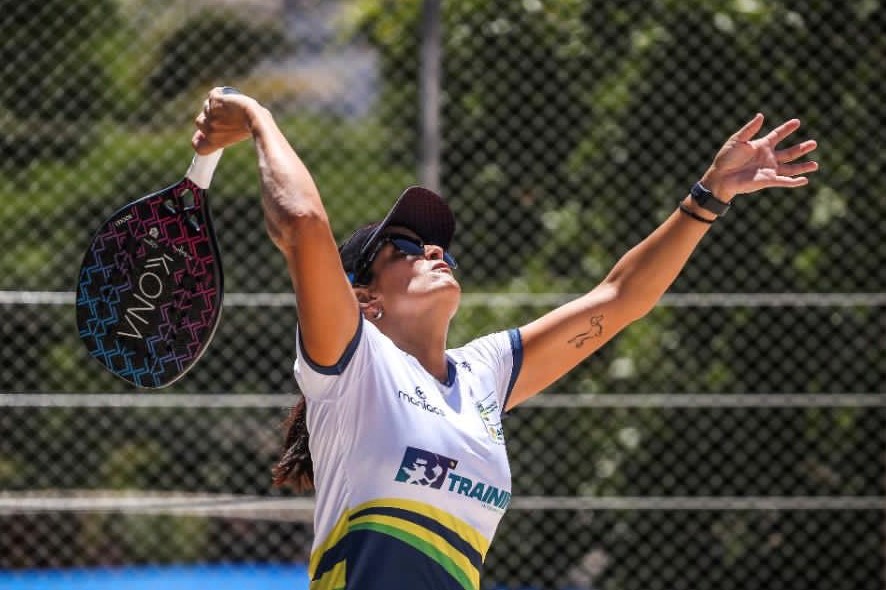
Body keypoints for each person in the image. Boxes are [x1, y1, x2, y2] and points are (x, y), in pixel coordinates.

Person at [192, 87, 818, 590]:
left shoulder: (482, 373)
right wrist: (256, 116)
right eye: (405, 248)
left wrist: (710, 195)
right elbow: (303, 222)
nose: (434, 250)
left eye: (438, 246)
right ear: (364, 298)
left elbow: (619, 300)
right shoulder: (353, 363)